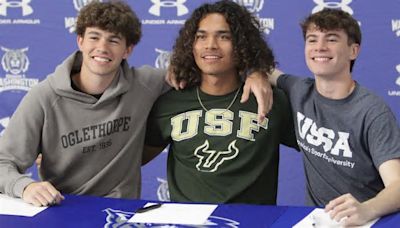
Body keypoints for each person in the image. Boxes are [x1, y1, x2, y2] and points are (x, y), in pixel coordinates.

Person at [0, 0, 271, 207]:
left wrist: (257, 71)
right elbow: (3, 162)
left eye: (114, 40)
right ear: (80, 40)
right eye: (94, 37)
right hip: (65, 208)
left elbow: (214, 67)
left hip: (123, 213)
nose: (102, 48)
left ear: (128, 49)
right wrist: (24, 187)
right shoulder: (45, 97)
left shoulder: (146, 83)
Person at [144, 0, 298, 205]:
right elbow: (132, 159)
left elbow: (321, 153)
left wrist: (261, 72)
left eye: (224, 36)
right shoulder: (170, 103)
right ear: (192, 44)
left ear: (242, 45)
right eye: (201, 37)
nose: (210, 45)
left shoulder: (269, 99)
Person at [268, 9, 400, 226]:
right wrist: (255, 75)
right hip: (317, 220)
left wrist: (367, 209)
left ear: (353, 51)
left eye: (331, 39)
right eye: (312, 40)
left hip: (367, 222)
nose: (320, 47)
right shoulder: (299, 89)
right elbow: (266, 71)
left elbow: (397, 186)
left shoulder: (372, 112)